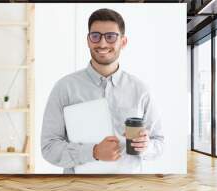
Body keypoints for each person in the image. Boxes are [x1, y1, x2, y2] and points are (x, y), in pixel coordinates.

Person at [41, 8, 164, 174]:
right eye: (96, 36)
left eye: (111, 37)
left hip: (129, 190)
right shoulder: (64, 88)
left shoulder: (141, 90)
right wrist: (93, 152)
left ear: (123, 41)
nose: (103, 43)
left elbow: (159, 143)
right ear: (88, 40)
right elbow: (49, 147)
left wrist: (146, 146)